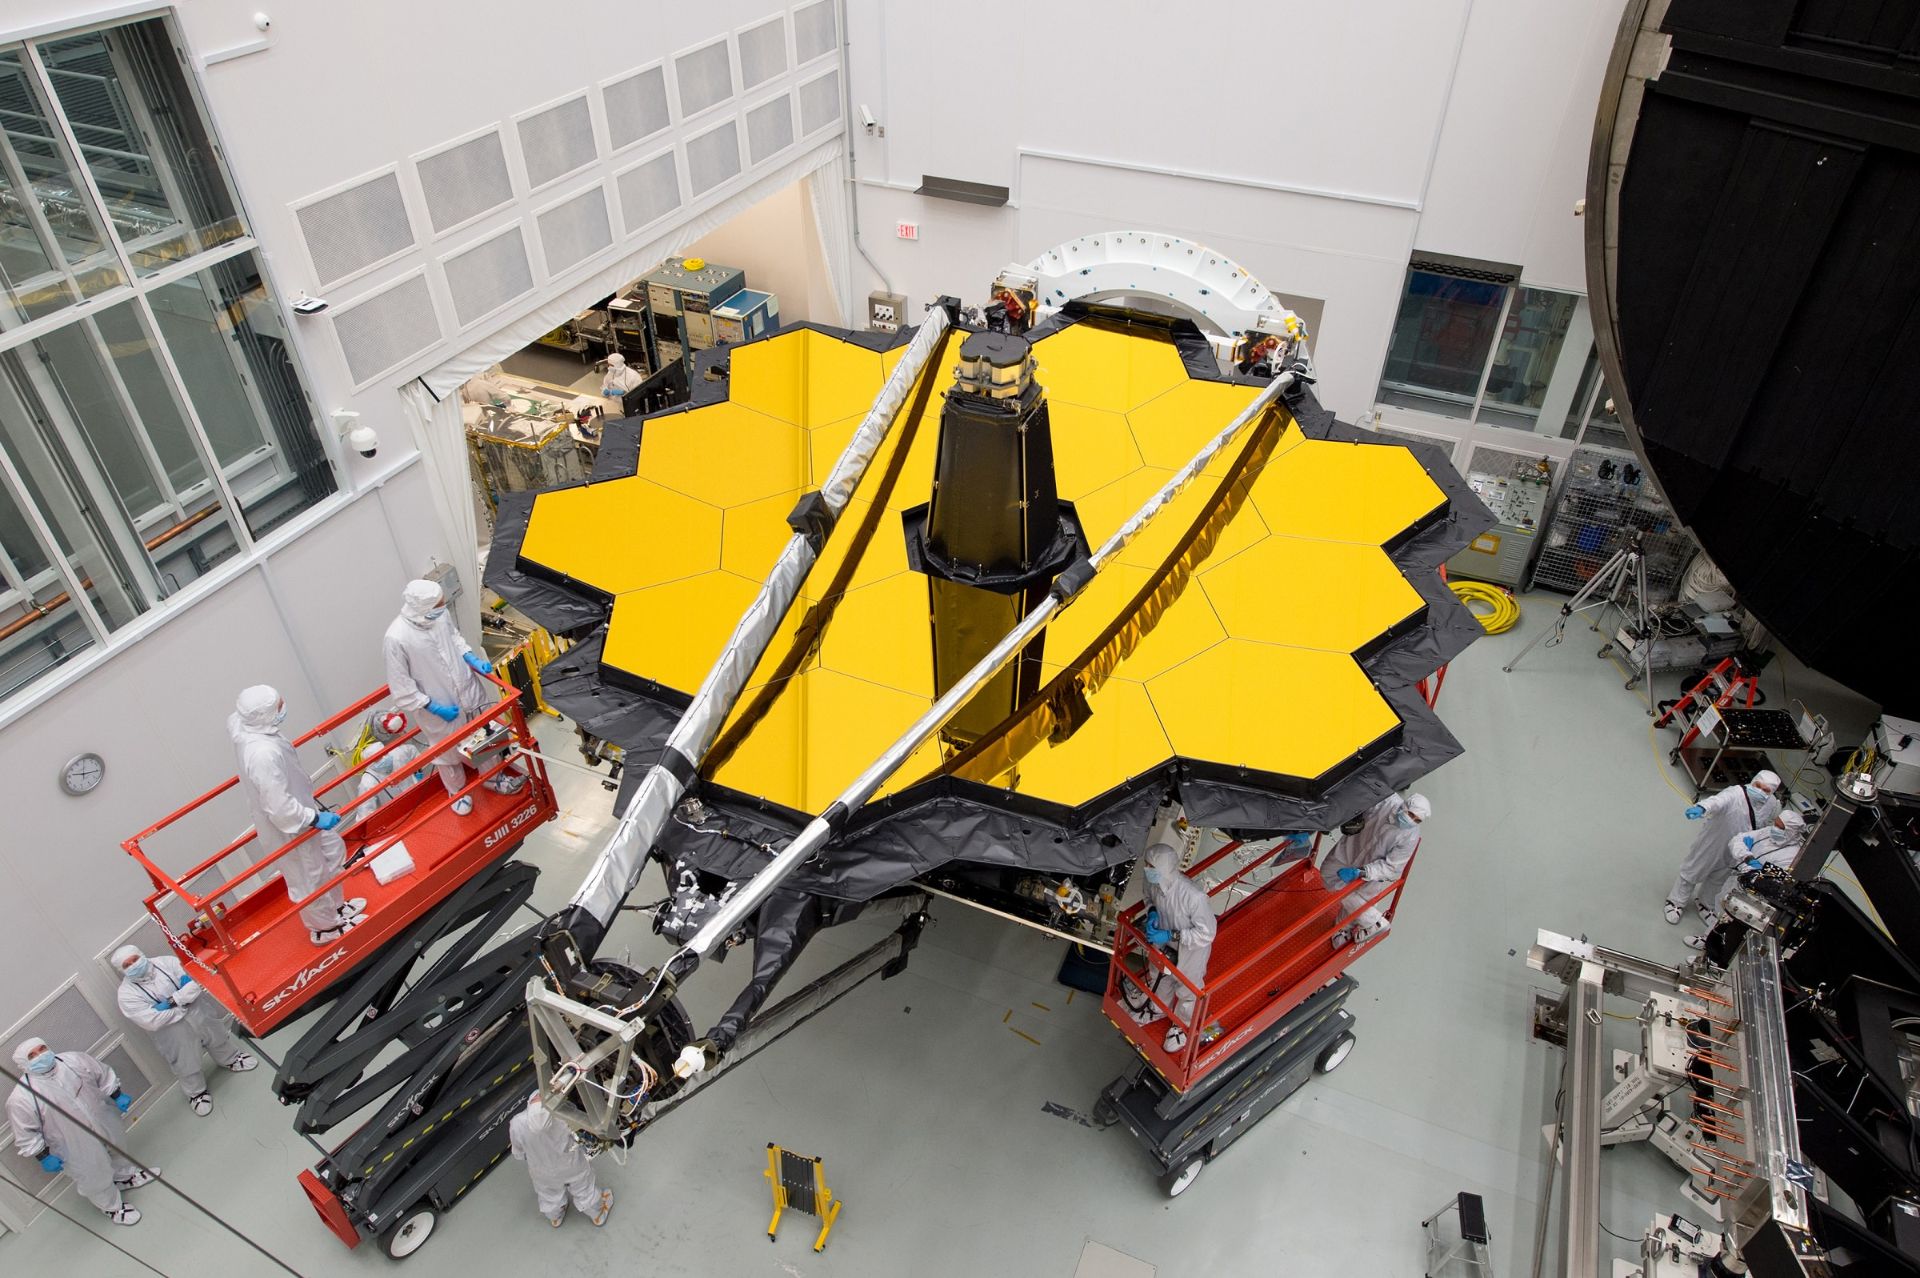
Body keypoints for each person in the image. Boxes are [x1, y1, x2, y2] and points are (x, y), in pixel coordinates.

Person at [230, 685, 367, 945]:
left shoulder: (242, 724)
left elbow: (233, 719)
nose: (284, 708)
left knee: (332, 851)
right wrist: (314, 819)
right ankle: (325, 928)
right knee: (309, 878)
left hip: (302, 810)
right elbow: (279, 808)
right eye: (278, 706)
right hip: (291, 826)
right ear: (263, 715)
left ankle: (337, 907)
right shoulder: (262, 754)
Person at [382, 580, 520, 817]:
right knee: (447, 754)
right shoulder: (396, 638)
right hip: (437, 706)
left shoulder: (438, 615)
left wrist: (470, 658)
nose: (443, 607)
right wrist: (433, 707)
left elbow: (455, 639)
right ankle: (456, 792)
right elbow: (401, 687)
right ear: (421, 607)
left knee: (482, 737)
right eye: (437, 604)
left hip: (467, 689)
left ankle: (493, 778)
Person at [7, 1039, 155, 1226]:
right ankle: (112, 1207)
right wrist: (43, 1156)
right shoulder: (22, 1097)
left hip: (102, 1118)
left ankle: (126, 1176)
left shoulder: (73, 1060)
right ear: (24, 1064)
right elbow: (26, 1134)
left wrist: (117, 1095)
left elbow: (103, 1074)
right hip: (71, 1142)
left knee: (117, 1147)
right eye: (32, 1055)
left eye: (42, 1049)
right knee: (92, 1173)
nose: (41, 1056)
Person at [111, 945, 256, 1117]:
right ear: (122, 970)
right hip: (172, 1032)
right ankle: (197, 1094)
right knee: (185, 1061)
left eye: (135, 959)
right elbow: (150, 1021)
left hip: (199, 1014)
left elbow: (196, 983)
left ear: (142, 955)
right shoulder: (126, 994)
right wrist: (182, 1001)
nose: (134, 965)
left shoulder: (167, 962)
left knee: (216, 1037)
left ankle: (231, 1059)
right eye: (127, 965)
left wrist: (171, 1002)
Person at [1124, 841, 1218, 1053]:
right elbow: (1149, 899)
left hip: (1190, 950)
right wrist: (1152, 913)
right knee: (1159, 973)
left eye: (1150, 866)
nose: (1147, 870)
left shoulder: (1193, 896)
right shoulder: (1153, 882)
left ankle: (1183, 1026)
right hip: (1163, 940)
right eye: (1147, 865)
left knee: (1188, 988)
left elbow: (1207, 933)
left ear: (1164, 868)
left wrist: (1172, 934)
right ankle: (1157, 1009)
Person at [1665, 770, 1781, 927]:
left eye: (1766, 790)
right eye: (1757, 786)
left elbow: (1768, 822)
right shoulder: (1736, 793)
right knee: (1694, 870)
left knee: (1719, 878)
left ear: (1772, 792)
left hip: (1738, 849)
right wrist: (1702, 808)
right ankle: (1676, 902)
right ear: (1753, 782)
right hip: (1714, 841)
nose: (1760, 791)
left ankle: (1705, 903)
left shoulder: (1772, 803)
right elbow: (1717, 801)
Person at [1320, 792, 1430, 949]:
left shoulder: (1410, 835)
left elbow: (1393, 867)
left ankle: (1342, 931)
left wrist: (1363, 872)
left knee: (1356, 901)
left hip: (1372, 871)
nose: (1411, 821)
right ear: (1404, 805)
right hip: (1349, 851)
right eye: (1411, 814)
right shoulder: (1385, 801)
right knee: (1328, 875)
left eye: (1417, 820)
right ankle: (1373, 922)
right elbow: (1357, 806)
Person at [1684, 809, 1807, 950]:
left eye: (1780, 827)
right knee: (1723, 912)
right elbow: (1737, 840)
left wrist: (1750, 867)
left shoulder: (1792, 856)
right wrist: (1747, 857)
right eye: (1775, 823)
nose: (1775, 828)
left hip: (1754, 896)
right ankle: (1707, 939)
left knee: (1733, 923)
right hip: (1740, 880)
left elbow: (1772, 880)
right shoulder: (1768, 833)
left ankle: (1713, 953)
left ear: (1791, 832)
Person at [508, 1092, 613, 1228]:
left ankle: (555, 1217)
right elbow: (581, 1138)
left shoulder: (516, 1123)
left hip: (541, 1171)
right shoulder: (564, 1116)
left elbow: (518, 1152)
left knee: (549, 1196)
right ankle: (597, 1214)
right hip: (571, 1166)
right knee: (584, 1190)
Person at [356, 710, 422, 812]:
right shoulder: (368, 781)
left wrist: (418, 771)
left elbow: (412, 751)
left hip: (418, 796)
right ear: (370, 764)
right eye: (378, 759)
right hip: (396, 813)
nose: (383, 759)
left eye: (383, 755)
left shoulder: (397, 754)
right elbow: (364, 811)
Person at [599, 352, 643, 416]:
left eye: (610, 365)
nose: (608, 367)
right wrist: (606, 392)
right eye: (608, 364)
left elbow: (639, 394)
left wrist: (625, 393)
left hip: (631, 408)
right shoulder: (610, 373)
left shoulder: (633, 376)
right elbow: (604, 389)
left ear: (616, 365)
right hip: (615, 407)